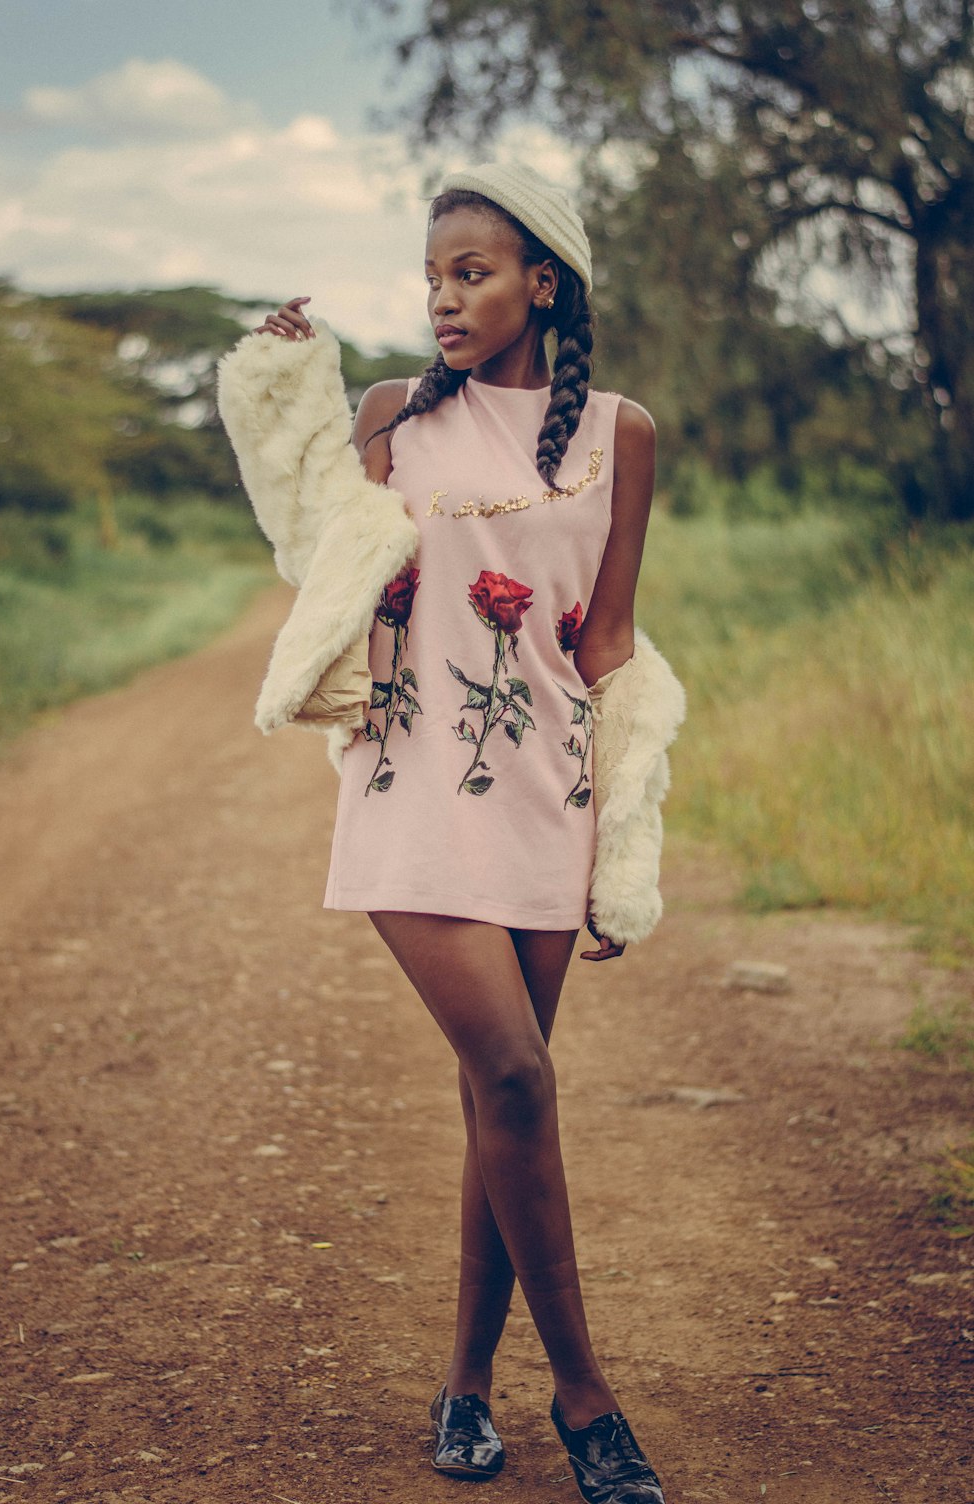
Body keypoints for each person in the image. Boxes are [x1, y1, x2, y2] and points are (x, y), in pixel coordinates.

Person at [219, 161, 683, 1504]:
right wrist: (285, 391)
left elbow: (605, 640)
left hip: (550, 792)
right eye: (432, 277)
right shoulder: (388, 420)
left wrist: (625, 831)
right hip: (408, 782)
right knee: (522, 1083)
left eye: (471, 273)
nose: (444, 299)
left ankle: (465, 1391)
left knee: (504, 1093)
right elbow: (311, 549)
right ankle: (589, 1403)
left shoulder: (620, 433)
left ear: (544, 281)